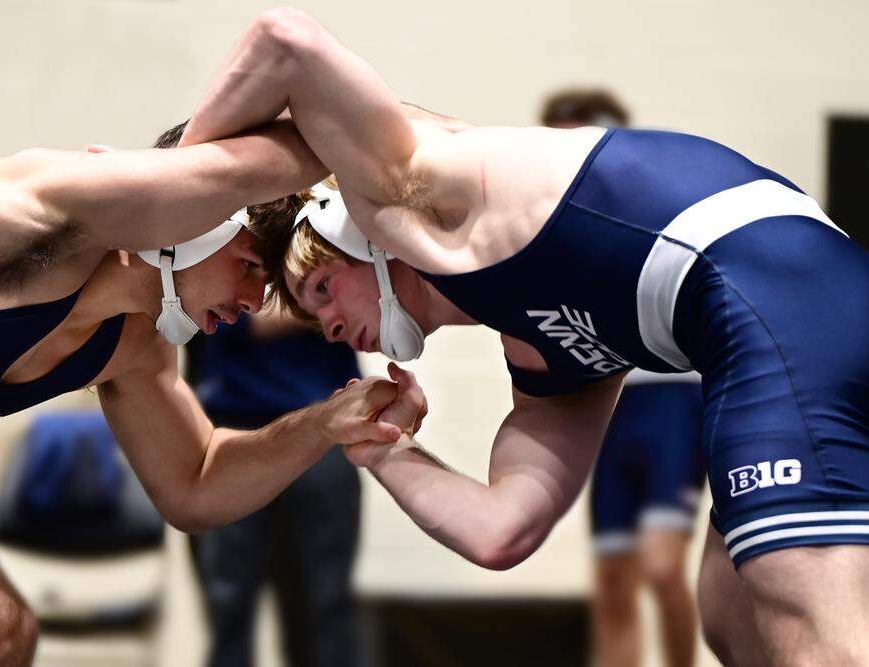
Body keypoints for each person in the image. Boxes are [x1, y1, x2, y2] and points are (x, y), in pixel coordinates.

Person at [178, 9, 869, 665]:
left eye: (323, 287)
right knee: (729, 610)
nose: (329, 324)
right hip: (807, 313)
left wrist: (169, 211)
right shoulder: (543, 354)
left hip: (782, 311)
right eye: (315, 316)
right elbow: (501, 528)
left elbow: (285, 41)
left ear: (356, 228)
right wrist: (374, 445)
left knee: (810, 631)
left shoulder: (435, 189)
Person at [0, 118, 426, 666]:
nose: (251, 301)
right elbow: (209, 166)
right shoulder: (30, 216)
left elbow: (197, 483)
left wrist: (324, 423)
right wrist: (394, 148)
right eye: (249, 265)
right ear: (190, 217)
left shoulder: (129, 345)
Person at [542, 89, 704, 667]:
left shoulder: (646, 200)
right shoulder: (546, 224)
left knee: (662, 567)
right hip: (610, 410)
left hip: (672, 402)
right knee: (612, 580)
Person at [186, 302, 364, 667]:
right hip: (231, 430)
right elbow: (221, 315)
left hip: (321, 433)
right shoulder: (206, 247)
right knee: (229, 607)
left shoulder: (337, 244)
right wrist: (324, 302)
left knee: (324, 606)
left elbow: (369, 299)